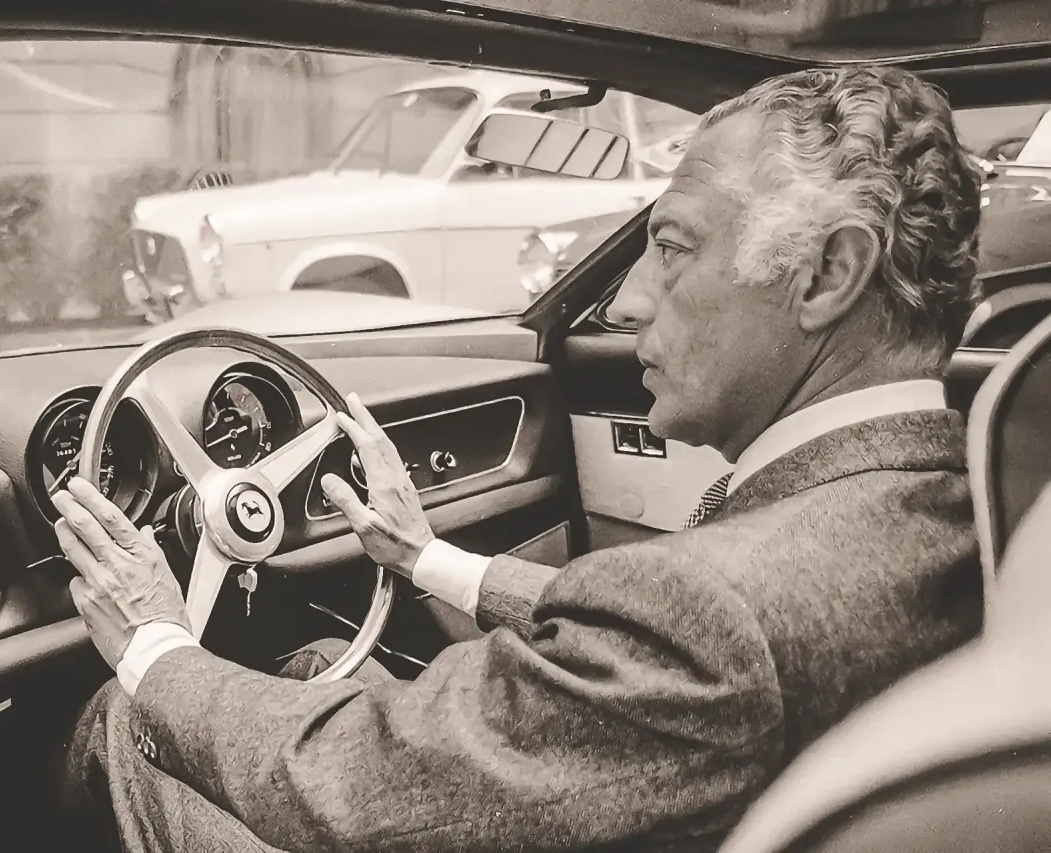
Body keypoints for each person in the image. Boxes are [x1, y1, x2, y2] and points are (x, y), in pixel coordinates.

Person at [51, 66, 985, 852]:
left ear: (828, 273)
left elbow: (357, 782)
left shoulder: (720, 615)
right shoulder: (960, 500)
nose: (628, 300)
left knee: (134, 719)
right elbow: (634, 655)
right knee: (323, 663)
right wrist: (426, 556)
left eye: (671, 247)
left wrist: (156, 643)